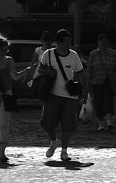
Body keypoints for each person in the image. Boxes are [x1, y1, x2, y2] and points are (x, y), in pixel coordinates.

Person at [35, 28, 84, 161]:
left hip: (69, 96)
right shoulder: (48, 54)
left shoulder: (73, 55)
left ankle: (64, 150)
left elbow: (80, 72)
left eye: (70, 41)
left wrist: (81, 90)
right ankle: (54, 141)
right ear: (59, 42)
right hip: (51, 94)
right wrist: (48, 73)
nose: (69, 44)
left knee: (67, 124)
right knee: (48, 122)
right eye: (67, 42)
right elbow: (40, 69)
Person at [0, 34, 32, 164]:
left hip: (7, 93)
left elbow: (15, 77)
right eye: (2, 50)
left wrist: (26, 71)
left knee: (4, 123)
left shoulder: (9, 60)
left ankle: (2, 152)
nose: (5, 52)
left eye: (6, 50)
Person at [86, 34, 116, 131]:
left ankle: (109, 120)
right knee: (98, 102)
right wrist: (87, 81)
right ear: (98, 42)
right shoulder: (93, 54)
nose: (103, 43)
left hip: (109, 80)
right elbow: (89, 69)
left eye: (105, 41)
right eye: (101, 41)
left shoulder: (113, 54)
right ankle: (101, 122)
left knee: (108, 100)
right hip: (96, 81)